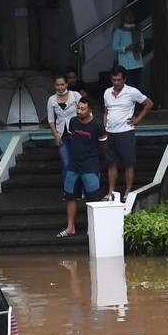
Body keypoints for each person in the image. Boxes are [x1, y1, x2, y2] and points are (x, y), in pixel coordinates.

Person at [102, 67, 153, 203]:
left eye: (119, 80)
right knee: (111, 163)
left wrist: (138, 119)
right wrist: (105, 125)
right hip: (110, 133)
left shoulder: (132, 92)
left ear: (124, 79)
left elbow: (149, 103)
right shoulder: (107, 92)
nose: (116, 82)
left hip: (126, 132)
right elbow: (106, 111)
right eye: (114, 80)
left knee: (128, 163)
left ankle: (127, 192)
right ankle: (111, 191)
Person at [59, 98, 106, 237]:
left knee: (93, 198)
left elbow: (103, 145)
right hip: (73, 165)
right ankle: (70, 227)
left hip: (90, 166)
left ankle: (92, 229)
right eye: (78, 108)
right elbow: (72, 137)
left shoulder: (97, 126)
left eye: (82, 109)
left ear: (90, 110)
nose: (79, 111)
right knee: (70, 196)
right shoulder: (73, 122)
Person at [46, 75, 82, 172]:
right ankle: (68, 186)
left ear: (67, 84)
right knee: (66, 163)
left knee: (79, 161)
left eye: (62, 84)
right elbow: (51, 120)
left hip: (77, 133)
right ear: (54, 85)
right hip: (62, 135)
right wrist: (56, 136)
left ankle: (79, 186)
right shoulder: (51, 100)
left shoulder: (75, 95)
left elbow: (85, 111)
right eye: (57, 85)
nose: (60, 87)